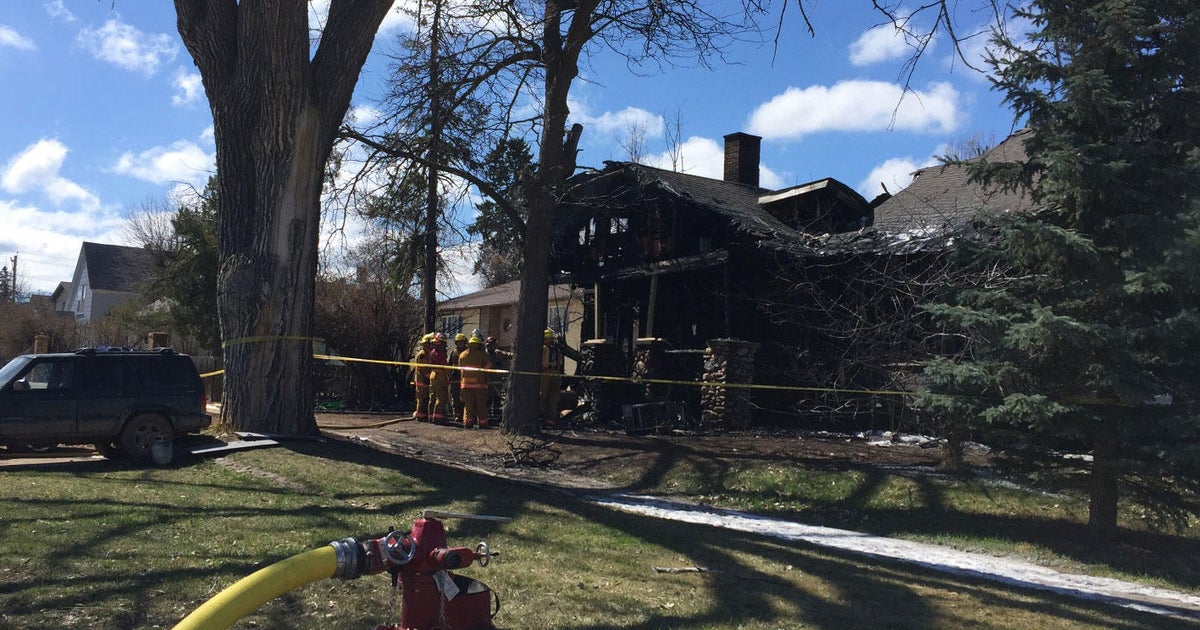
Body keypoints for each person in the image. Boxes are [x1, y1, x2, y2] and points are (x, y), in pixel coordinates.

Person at [457, 335, 492, 428]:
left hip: (466, 385)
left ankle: (467, 422)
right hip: (479, 385)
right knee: (481, 405)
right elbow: (489, 365)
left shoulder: (462, 355)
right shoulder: (482, 354)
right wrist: (483, 372)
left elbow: (460, 369)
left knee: (468, 406)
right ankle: (483, 423)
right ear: (478, 344)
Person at [484, 336, 513, 425]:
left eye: (493, 344)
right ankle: (486, 417)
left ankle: (496, 417)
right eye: (489, 344)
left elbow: (508, 355)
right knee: (487, 400)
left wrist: (516, 354)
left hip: (497, 381)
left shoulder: (498, 353)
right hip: (487, 381)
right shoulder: (483, 354)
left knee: (496, 400)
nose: (491, 346)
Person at [540, 328, 564, 428]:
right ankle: (552, 420)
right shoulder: (557, 349)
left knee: (542, 396)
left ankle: (542, 418)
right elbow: (560, 363)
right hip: (556, 373)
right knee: (554, 398)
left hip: (545, 374)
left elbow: (541, 363)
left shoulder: (544, 348)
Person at [427, 332, 451, 423]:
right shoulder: (441, 354)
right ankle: (437, 418)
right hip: (440, 375)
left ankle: (430, 417)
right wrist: (449, 376)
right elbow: (445, 366)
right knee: (441, 397)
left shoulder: (432, 353)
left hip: (433, 374)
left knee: (432, 396)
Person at [411, 333, 433, 422]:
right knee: (421, 398)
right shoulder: (422, 355)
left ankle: (425, 415)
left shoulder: (429, 353)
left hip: (426, 380)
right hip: (422, 380)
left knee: (426, 398)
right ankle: (420, 415)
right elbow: (424, 369)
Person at [449, 332, 467, 422]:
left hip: (465, 378)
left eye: (462, 342)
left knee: (465, 398)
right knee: (455, 398)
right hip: (455, 378)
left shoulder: (467, 352)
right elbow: (449, 365)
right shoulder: (453, 353)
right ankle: (457, 415)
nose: (460, 344)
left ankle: (465, 415)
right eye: (458, 342)